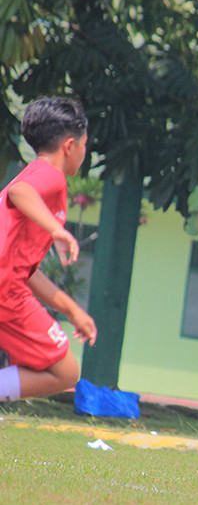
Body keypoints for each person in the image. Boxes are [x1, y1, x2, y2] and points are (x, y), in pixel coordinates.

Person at [0, 97, 97, 403]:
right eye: (84, 143)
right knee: (65, 372)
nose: (85, 151)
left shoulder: (33, 173)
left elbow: (27, 272)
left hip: (10, 286)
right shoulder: (50, 177)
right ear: (70, 146)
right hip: (6, 294)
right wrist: (57, 230)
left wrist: (72, 309)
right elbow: (19, 192)